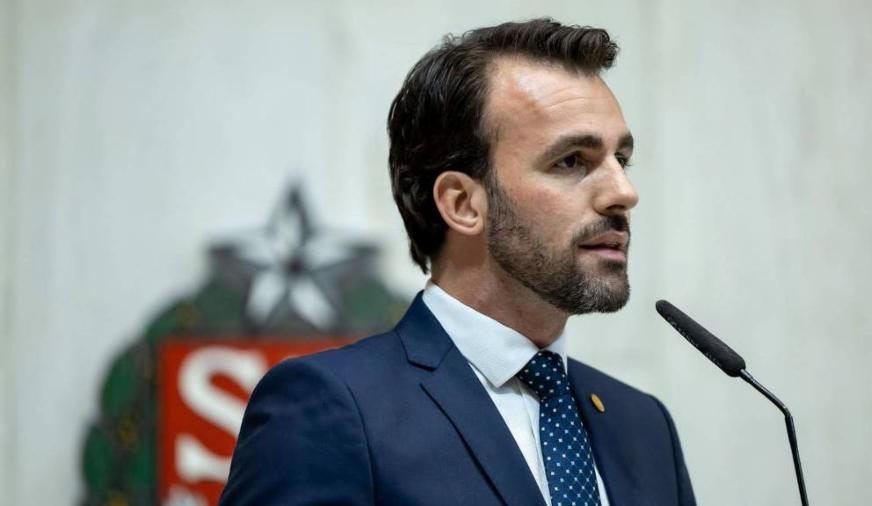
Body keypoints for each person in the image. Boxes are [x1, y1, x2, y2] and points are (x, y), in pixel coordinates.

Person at [220, 18, 696, 506]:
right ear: (463, 203)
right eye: (572, 161)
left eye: (622, 159)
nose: (624, 192)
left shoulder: (644, 427)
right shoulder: (332, 407)